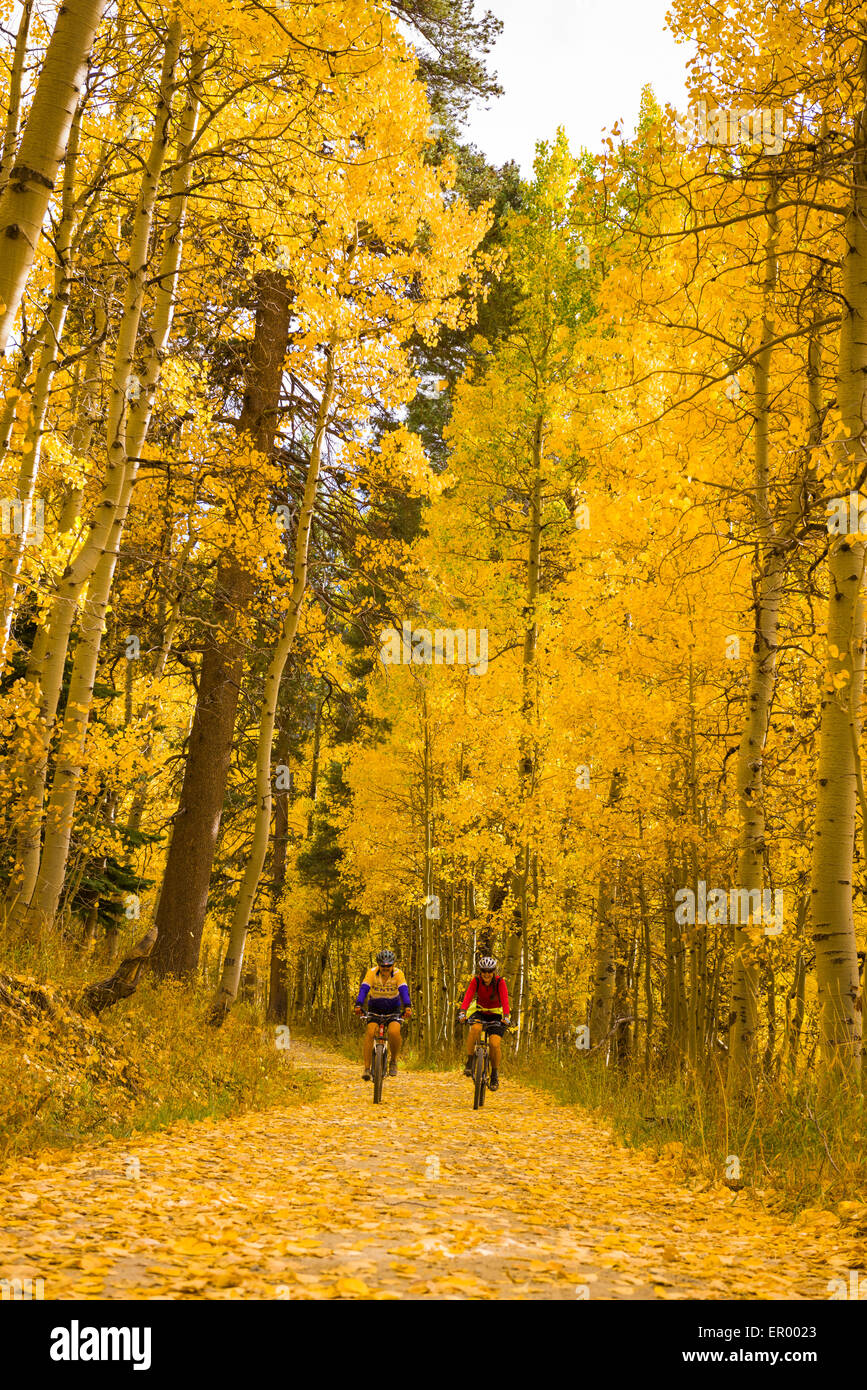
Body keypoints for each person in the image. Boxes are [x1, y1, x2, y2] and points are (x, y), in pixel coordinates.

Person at [354, 949, 412, 1080]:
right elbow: (364, 989)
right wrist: (358, 1004)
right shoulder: (372, 972)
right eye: (383, 966)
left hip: (393, 1008)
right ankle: (367, 1069)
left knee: (394, 1032)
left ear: (393, 965)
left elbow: (403, 991)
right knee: (370, 1032)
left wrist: (407, 1006)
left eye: (388, 966)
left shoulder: (398, 974)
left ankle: (393, 1061)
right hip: (375, 1007)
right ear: (379, 965)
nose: (386, 969)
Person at [458, 955, 510, 1091]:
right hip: (480, 1012)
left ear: (493, 972)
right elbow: (468, 996)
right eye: (484, 971)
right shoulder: (476, 981)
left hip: (496, 1014)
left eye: (490, 971)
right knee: (474, 1028)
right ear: (480, 971)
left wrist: (506, 1016)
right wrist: (463, 1012)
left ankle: (494, 1074)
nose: (487, 974)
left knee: (494, 1043)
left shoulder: (500, 982)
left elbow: (505, 1000)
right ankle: (469, 1062)